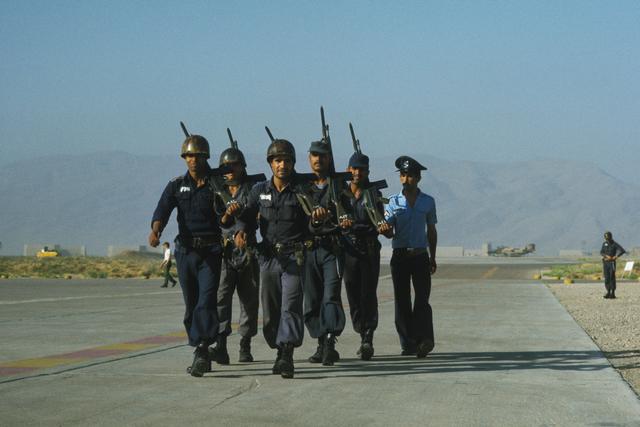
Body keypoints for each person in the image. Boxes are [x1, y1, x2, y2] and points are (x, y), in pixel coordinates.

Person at [236, 139, 326, 379]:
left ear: (293, 163)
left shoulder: (304, 190)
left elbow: (315, 221)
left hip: (294, 257)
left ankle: (287, 353)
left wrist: (317, 219)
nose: (282, 165)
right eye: (277, 160)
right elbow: (246, 215)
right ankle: (278, 348)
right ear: (270, 164)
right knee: (271, 310)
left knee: (291, 306)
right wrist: (242, 230)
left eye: (287, 160)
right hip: (267, 258)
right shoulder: (259, 190)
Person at [148, 133, 224, 377]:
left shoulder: (216, 184)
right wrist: (156, 231)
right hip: (186, 251)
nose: (193, 160)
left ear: (206, 157)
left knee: (206, 300)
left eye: (198, 156)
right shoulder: (176, 184)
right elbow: (163, 209)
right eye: (189, 156)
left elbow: (229, 212)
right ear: (184, 158)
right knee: (191, 303)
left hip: (211, 251)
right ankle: (198, 344)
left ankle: (202, 348)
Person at [382, 155, 437, 358]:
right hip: (400, 257)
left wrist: (433, 257)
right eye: (403, 175)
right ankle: (408, 343)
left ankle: (425, 340)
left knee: (422, 299)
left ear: (418, 178)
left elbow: (431, 230)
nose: (406, 179)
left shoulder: (428, 202)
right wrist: (385, 229)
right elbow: (388, 231)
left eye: (411, 175)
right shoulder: (392, 202)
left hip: (421, 256)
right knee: (402, 301)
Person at [210, 145, 260, 364]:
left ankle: (245, 344)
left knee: (249, 300)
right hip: (224, 252)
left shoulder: (253, 189)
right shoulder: (216, 191)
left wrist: (245, 231)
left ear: (242, 167)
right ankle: (221, 344)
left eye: (234, 165)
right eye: (225, 166)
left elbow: (257, 215)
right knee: (221, 298)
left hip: (247, 250)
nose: (229, 170)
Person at [342, 151, 392, 360]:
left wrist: (384, 228)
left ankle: (368, 336)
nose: (357, 172)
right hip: (349, 249)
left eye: (362, 169)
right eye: (354, 168)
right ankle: (361, 330)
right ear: (348, 170)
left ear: (367, 172)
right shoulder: (340, 194)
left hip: (369, 248)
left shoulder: (373, 194)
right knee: (353, 294)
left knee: (368, 294)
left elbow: (380, 219)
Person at [303, 140, 346, 366]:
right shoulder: (301, 186)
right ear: (309, 158)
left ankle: (330, 342)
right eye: (314, 155)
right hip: (309, 250)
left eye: (322, 155)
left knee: (330, 297)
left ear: (329, 159)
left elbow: (350, 214)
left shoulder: (339, 186)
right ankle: (320, 342)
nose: (318, 159)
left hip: (332, 248)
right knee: (311, 301)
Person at [600, 231, 626, 299]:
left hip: (612, 263)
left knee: (612, 277)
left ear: (611, 237)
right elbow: (601, 252)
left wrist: (616, 256)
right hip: (605, 263)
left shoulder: (614, 244)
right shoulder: (604, 243)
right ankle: (608, 292)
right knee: (607, 278)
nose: (607, 239)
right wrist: (606, 255)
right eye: (606, 238)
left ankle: (613, 293)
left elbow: (622, 250)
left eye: (608, 238)